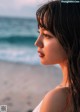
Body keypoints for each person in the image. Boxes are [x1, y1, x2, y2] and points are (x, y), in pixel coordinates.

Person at [33, 0, 80, 112]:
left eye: (46, 35)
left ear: (72, 40)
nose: (37, 43)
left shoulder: (60, 97)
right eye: (39, 33)